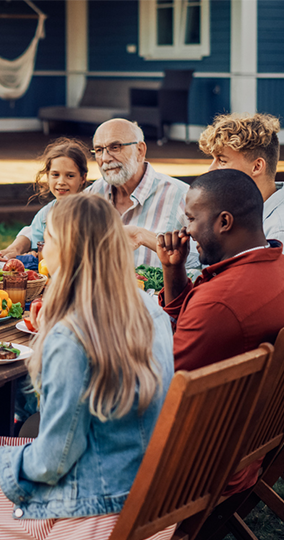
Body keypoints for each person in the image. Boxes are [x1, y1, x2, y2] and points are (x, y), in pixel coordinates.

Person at [0, 193, 174, 539]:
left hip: (94, 508)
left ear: (67, 250)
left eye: (48, 239)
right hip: (147, 493)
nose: (41, 248)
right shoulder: (149, 308)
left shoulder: (71, 335)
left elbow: (54, 460)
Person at [156, 168, 284, 494]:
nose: (186, 230)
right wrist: (174, 272)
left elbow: (159, 389)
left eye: (191, 219)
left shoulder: (220, 303)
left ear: (224, 222)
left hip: (196, 467)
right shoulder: (274, 266)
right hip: (247, 450)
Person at [87, 119, 195, 268]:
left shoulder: (182, 196)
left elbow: (199, 264)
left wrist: (145, 237)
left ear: (140, 151)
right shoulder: (91, 195)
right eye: (99, 150)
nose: (105, 158)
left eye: (115, 147)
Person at [0, 137, 89, 259]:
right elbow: (37, 244)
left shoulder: (89, 212)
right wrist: (34, 254)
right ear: (47, 176)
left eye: (70, 176)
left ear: (82, 178)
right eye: (55, 175)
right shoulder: (45, 215)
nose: (61, 181)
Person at [199, 112, 284, 245]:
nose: (211, 169)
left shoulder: (278, 229)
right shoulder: (235, 208)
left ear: (257, 166)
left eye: (222, 160)